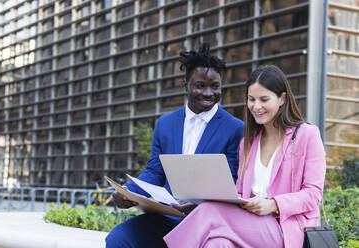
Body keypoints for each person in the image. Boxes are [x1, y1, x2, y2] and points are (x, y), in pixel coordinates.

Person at [163, 65, 326, 248]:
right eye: (251, 99)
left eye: (264, 99)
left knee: (209, 212)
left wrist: (273, 204)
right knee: (218, 243)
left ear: (282, 99)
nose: (256, 106)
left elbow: (313, 194)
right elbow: (240, 192)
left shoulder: (307, 135)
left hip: (285, 228)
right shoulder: (248, 142)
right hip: (250, 223)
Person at [105, 44, 244, 248]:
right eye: (200, 85)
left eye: (215, 86)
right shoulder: (165, 123)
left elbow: (231, 180)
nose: (208, 93)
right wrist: (128, 191)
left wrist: (199, 203)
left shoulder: (235, 128)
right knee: (119, 239)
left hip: (208, 220)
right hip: (167, 216)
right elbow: (154, 171)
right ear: (185, 84)